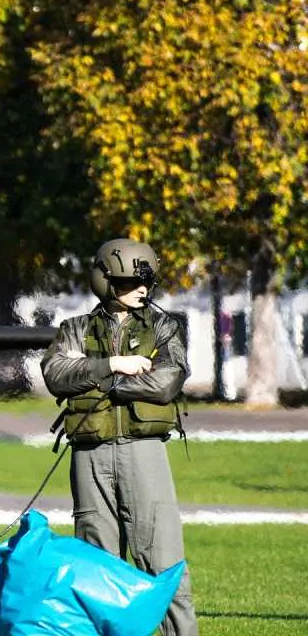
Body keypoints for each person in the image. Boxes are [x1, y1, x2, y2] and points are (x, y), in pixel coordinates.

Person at [40, 238, 197, 636]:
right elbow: (55, 374)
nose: (142, 289)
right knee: (95, 568)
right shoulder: (74, 330)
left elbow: (166, 382)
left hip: (145, 453)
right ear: (105, 281)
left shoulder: (163, 327)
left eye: (146, 281)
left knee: (163, 562)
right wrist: (115, 364)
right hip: (89, 456)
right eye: (130, 282)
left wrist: (99, 381)